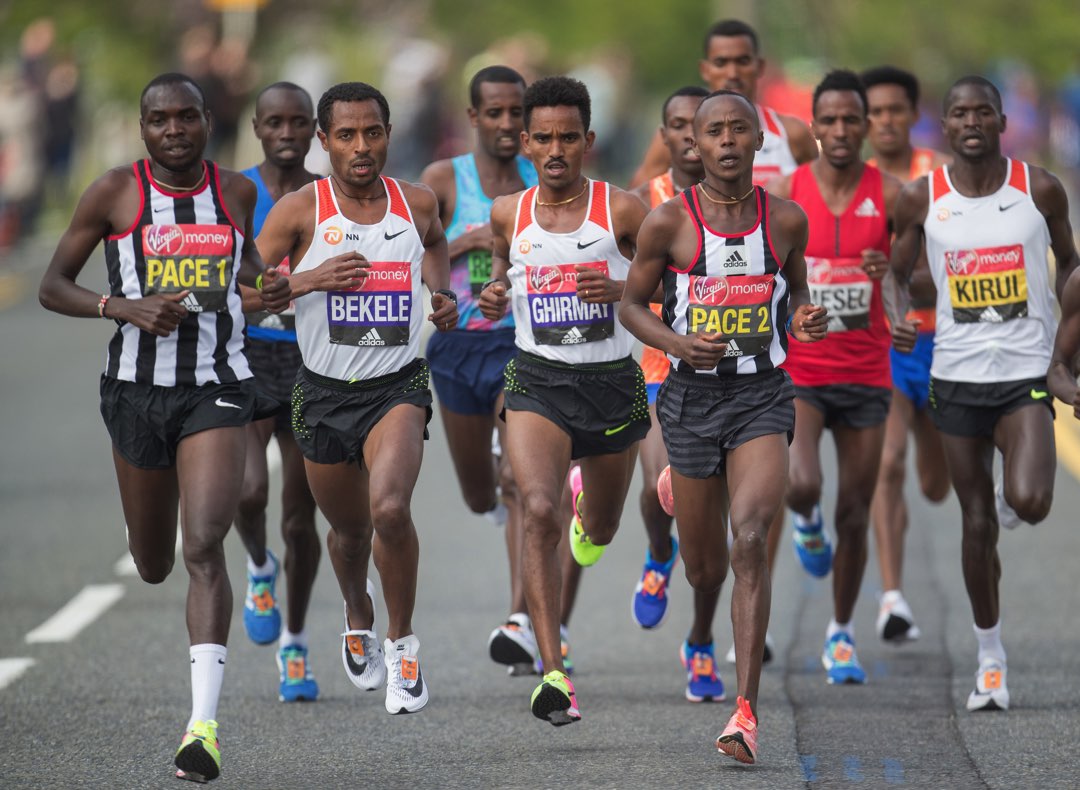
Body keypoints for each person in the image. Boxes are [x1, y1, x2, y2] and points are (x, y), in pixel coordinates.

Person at [38, 73, 290, 783]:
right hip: (135, 392)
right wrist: (123, 307)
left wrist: (269, 290)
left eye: (187, 116)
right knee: (154, 563)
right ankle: (144, 523)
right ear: (142, 127)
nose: (174, 129)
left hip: (218, 384)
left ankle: (201, 729)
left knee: (203, 544)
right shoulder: (115, 192)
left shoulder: (236, 193)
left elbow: (251, 277)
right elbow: (53, 285)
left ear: (209, 121)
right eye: (159, 119)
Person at [622, 89, 826, 763]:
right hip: (688, 402)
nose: (730, 141)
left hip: (762, 399)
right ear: (695, 145)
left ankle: (745, 713)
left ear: (757, 141)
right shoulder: (666, 224)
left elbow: (796, 290)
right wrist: (677, 345)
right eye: (716, 132)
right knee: (704, 569)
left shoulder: (787, 220)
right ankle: (684, 519)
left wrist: (803, 318)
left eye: (741, 129)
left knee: (749, 541)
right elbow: (632, 306)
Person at [255, 81, 458, 717]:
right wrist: (309, 277)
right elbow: (243, 291)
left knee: (390, 509)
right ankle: (356, 607)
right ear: (324, 141)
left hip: (396, 385)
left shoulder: (417, 202)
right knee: (348, 534)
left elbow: (433, 246)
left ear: (389, 134)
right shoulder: (299, 210)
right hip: (321, 392)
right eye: (345, 135)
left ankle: (402, 647)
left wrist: (441, 295)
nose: (360, 146)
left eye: (372, 132)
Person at [888, 76, 1078, 710]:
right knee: (974, 526)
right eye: (959, 113)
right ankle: (989, 659)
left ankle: (1011, 493)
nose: (972, 121)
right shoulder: (923, 198)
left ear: (1002, 121)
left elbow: (1071, 266)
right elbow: (895, 275)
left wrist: (1068, 348)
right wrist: (894, 313)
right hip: (957, 377)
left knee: (1030, 500)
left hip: (1024, 374)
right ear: (944, 127)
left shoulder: (1039, 189)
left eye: (983, 112)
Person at [479, 76, 650, 725]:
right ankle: (553, 672)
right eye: (543, 137)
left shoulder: (623, 210)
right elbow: (501, 268)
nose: (555, 149)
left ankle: (590, 525)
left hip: (610, 386)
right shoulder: (509, 213)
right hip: (538, 381)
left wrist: (624, 288)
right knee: (538, 507)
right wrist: (496, 293)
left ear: (588, 141)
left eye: (567, 137)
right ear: (524, 142)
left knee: (596, 528)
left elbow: (673, 286)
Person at [419, 66, 553, 675]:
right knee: (480, 494)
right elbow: (417, 247)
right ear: (473, 118)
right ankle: (498, 502)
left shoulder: (542, 177)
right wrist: (466, 242)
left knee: (520, 484)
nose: (507, 124)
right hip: (455, 348)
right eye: (494, 113)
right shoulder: (445, 180)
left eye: (516, 113)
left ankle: (521, 620)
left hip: (519, 345)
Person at [769, 70, 902, 684]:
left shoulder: (896, 195)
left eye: (854, 119)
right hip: (804, 372)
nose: (843, 130)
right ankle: (805, 523)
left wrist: (893, 269)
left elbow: (921, 282)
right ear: (814, 128)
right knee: (801, 485)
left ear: (868, 126)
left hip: (868, 373)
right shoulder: (786, 196)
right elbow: (764, 283)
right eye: (831, 121)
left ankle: (841, 633)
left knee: (854, 508)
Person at [628, 85, 735, 702]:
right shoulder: (645, 204)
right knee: (656, 491)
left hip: (730, 382)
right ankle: (658, 551)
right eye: (680, 126)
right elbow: (627, 292)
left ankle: (698, 643)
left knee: (716, 528)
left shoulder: (752, 208)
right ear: (665, 136)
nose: (693, 139)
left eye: (705, 127)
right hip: (659, 371)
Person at [233, 82, 322, 702]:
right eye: (274, 123)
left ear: (315, 130)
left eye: (298, 123)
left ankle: (294, 642)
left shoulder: (330, 195)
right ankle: (259, 566)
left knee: (300, 514)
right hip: (247, 353)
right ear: (258, 127)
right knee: (248, 488)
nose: (286, 133)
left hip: (314, 360)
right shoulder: (236, 192)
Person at [860, 66, 952, 643]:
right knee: (886, 462)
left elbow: (953, 266)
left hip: (942, 339)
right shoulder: (856, 181)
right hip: (884, 342)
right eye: (874, 112)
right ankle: (892, 598)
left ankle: (933, 442)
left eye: (896, 110)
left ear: (913, 114)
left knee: (937, 484)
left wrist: (896, 273)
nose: (885, 121)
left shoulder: (939, 176)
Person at [629, 19, 816, 189]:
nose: (732, 73)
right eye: (721, 63)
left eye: (742, 61)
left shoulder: (791, 134)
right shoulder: (681, 134)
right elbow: (638, 201)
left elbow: (821, 198)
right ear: (705, 70)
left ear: (759, 66)